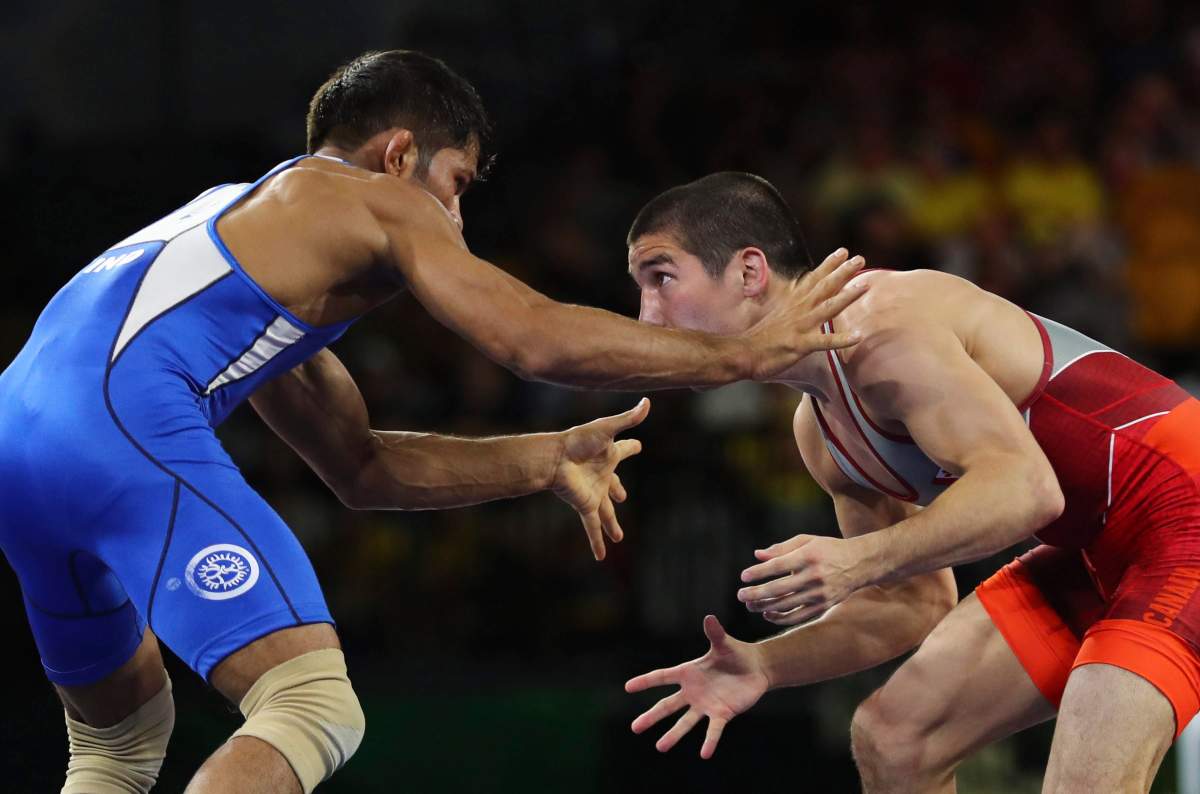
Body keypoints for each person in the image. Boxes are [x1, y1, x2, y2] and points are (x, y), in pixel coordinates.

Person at [0, 52, 866, 794]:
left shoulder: (245, 237)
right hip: (114, 431)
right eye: (455, 185)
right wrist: (743, 358)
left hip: (21, 451)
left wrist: (542, 457)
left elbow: (360, 467)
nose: (453, 221)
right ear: (400, 153)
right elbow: (532, 338)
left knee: (118, 744)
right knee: (311, 705)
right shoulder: (369, 195)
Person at [622, 171, 1200, 792]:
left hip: (1186, 519)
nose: (647, 317)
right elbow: (908, 605)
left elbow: (1026, 489)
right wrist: (765, 663)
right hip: (1092, 551)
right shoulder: (820, 435)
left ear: (748, 272)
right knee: (896, 742)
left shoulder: (883, 326)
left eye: (662, 278)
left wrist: (859, 559)